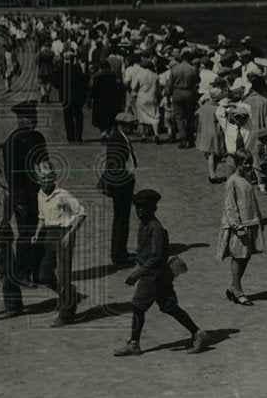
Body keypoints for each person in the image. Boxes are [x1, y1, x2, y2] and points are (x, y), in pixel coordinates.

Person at [114, 189, 210, 356]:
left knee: (138, 306)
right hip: (155, 276)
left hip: (154, 276)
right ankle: (197, 333)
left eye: (144, 207)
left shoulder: (156, 229)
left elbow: (158, 257)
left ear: (154, 209)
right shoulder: (144, 225)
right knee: (169, 307)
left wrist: (137, 273)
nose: (140, 211)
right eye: (138, 207)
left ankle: (134, 343)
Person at [31, 161, 86, 327]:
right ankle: (69, 297)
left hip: (64, 234)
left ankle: (66, 315)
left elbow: (82, 213)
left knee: (64, 276)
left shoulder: (62, 194)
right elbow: (42, 216)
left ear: (54, 177)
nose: (46, 181)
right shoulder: (40, 194)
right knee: (44, 275)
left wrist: (70, 234)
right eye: (43, 178)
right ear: (37, 180)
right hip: (48, 235)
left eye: (49, 178)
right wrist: (36, 234)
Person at [3, 100, 48, 286]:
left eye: (34, 116)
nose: (33, 120)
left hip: (41, 194)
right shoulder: (13, 141)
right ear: (19, 119)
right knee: (26, 234)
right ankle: (22, 273)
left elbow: (45, 165)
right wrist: (19, 201)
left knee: (41, 233)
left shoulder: (38, 137)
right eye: (28, 117)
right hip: (24, 198)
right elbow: (12, 175)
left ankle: (38, 273)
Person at [216, 149, 264, 306]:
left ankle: (232, 287)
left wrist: (259, 219)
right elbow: (230, 206)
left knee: (246, 255)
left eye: (249, 162)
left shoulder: (246, 179)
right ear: (237, 163)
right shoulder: (232, 181)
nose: (248, 165)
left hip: (250, 222)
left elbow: (251, 201)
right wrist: (237, 227)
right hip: (239, 226)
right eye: (244, 162)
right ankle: (238, 292)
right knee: (238, 257)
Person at [99, 112, 138, 266]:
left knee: (122, 219)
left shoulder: (121, 137)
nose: (133, 127)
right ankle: (119, 256)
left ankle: (121, 251)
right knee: (121, 220)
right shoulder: (117, 140)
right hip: (121, 186)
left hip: (124, 185)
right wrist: (125, 181)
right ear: (122, 124)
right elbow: (114, 166)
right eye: (131, 124)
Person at [0, 157, 21, 319]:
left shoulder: (1, 193)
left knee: (7, 272)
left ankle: (13, 306)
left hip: (0, 238)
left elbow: (3, 218)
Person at [196, 84, 226, 184]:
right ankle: (212, 175)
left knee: (211, 154)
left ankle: (212, 173)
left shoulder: (205, 107)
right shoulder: (218, 108)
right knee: (214, 154)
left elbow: (197, 114)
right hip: (215, 132)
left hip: (205, 131)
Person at [90, 59, 122, 139]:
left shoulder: (97, 76)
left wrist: (91, 97)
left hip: (100, 100)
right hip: (111, 100)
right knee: (110, 118)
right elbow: (115, 88)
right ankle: (108, 133)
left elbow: (94, 89)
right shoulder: (112, 76)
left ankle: (103, 133)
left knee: (100, 119)